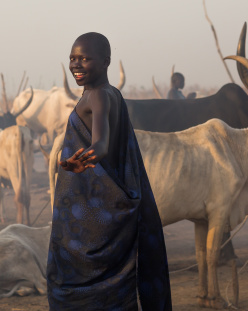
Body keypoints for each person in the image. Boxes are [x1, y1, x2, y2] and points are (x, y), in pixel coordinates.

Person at [47, 32, 172, 310]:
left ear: (105, 62)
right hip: (95, 207)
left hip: (94, 214)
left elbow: (101, 142)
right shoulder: (110, 93)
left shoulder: (98, 96)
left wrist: (87, 157)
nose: (76, 65)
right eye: (72, 58)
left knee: (75, 285)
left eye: (85, 58)